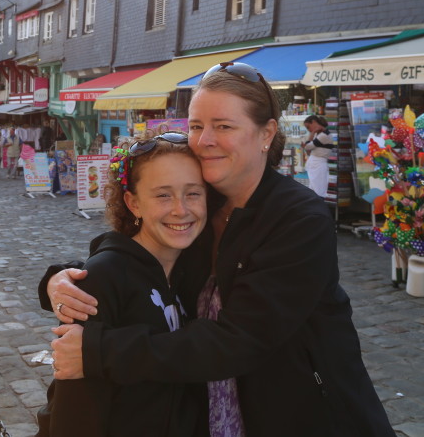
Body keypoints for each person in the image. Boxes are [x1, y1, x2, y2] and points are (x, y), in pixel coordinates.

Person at [42, 62, 394, 437]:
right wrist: (66, 279)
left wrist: (99, 352)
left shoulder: (299, 218)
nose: (203, 140)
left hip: (304, 413)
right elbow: (145, 256)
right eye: (196, 126)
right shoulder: (203, 200)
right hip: (213, 414)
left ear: (266, 133)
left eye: (223, 126)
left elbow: (239, 339)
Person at [37, 130, 207, 436]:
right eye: (163, 194)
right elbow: (75, 414)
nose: (181, 209)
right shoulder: (102, 279)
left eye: (193, 193)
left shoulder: (190, 269)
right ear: (133, 203)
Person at [302, 114, 334, 198]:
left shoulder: (324, 135)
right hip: (315, 164)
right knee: (315, 190)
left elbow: (308, 146)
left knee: (318, 191)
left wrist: (312, 133)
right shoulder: (320, 135)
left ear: (314, 122)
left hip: (318, 165)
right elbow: (308, 150)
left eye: (308, 127)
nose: (309, 130)